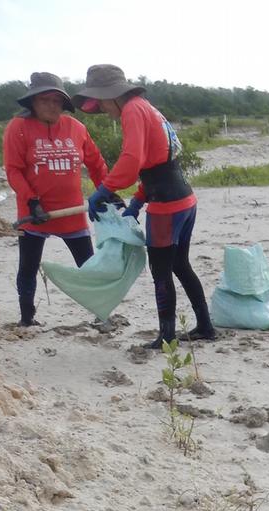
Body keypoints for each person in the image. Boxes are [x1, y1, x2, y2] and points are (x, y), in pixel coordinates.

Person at [71, 64, 215, 348]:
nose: (100, 108)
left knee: (161, 271)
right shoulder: (147, 108)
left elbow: (131, 158)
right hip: (184, 199)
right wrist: (137, 201)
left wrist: (104, 190)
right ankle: (206, 326)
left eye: (100, 101)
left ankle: (167, 336)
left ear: (110, 95)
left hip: (166, 206)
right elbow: (158, 162)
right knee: (181, 265)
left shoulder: (132, 111)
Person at [3, 72, 108, 327]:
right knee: (28, 266)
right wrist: (31, 201)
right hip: (34, 212)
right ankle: (27, 318)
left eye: (56, 100)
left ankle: (102, 315)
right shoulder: (18, 128)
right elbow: (13, 169)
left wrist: (106, 191)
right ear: (33, 102)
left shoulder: (77, 128)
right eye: (44, 100)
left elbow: (96, 165)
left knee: (88, 266)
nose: (51, 105)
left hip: (71, 212)